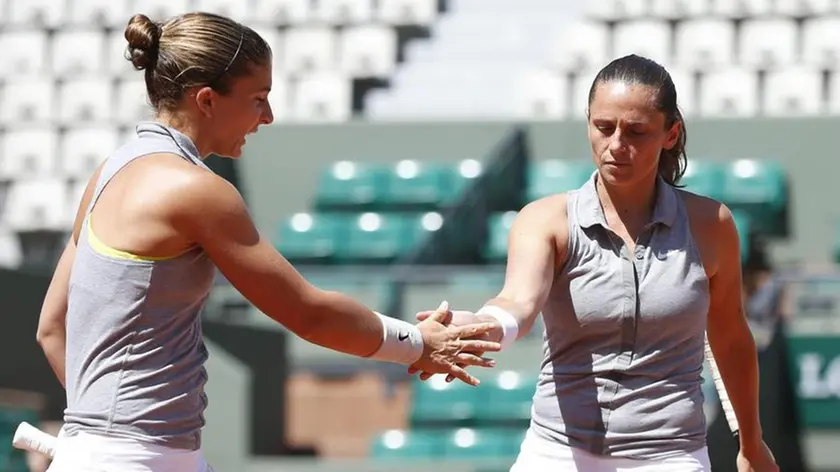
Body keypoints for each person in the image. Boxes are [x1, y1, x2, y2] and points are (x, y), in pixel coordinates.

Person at [33, 12, 500, 472]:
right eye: (259, 99)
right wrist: (416, 343)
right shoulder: (196, 190)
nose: (269, 117)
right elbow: (306, 311)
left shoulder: (108, 174)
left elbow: (52, 327)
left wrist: (100, 437)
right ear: (208, 101)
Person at [414, 54, 779, 471]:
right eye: (603, 127)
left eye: (637, 131)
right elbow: (518, 302)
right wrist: (480, 325)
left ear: (670, 133)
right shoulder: (544, 219)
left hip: (670, 456)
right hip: (556, 453)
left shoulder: (712, 225)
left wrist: (751, 443)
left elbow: (731, 336)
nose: (616, 145)